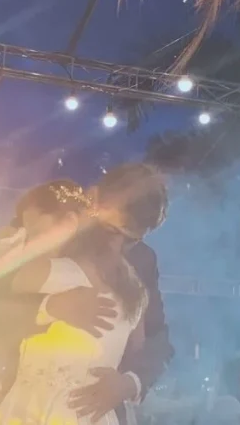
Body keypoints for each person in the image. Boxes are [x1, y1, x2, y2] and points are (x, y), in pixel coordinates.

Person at [0, 178, 148, 425]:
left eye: (34, 231)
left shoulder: (55, 272)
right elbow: (140, 346)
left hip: (35, 409)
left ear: (69, 224)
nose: (29, 239)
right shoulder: (134, 288)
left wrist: (2, 247)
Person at [64, 163, 174, 424]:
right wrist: (48, 307)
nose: (118, 247)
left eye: (131, 240)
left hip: (101, 414)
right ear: (93, 197)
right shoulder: (54, 239)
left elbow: (159, 341)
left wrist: (129, 383)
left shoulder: (143, 260)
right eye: (112, 231)